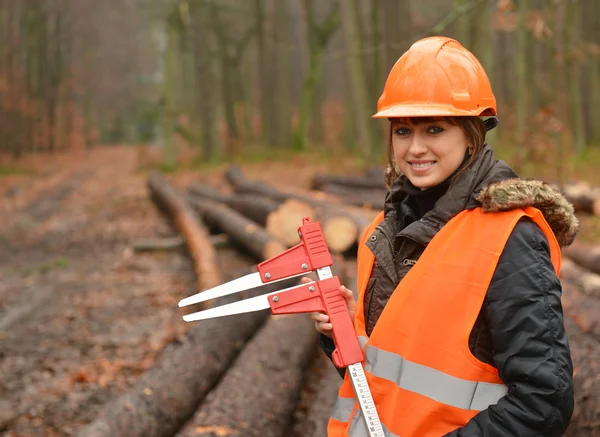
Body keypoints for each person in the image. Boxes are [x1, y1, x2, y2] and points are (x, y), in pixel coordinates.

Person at [309, 36, 576, 437]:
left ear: (471, 134)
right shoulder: (384, 231)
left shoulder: (510, 238)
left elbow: (543, 401)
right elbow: (387, 376)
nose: (415, 148)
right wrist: (342, 335)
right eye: (402, 131)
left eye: (434, 129)